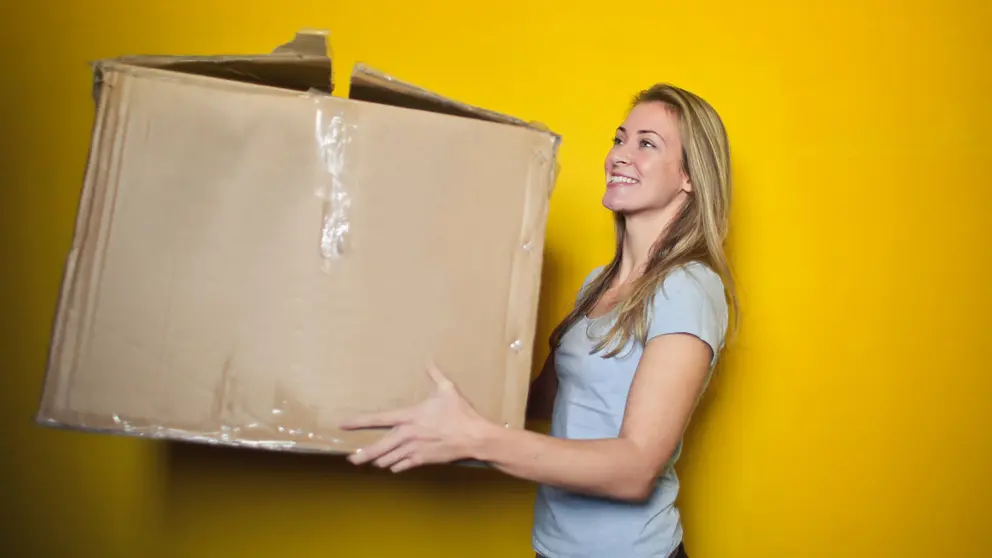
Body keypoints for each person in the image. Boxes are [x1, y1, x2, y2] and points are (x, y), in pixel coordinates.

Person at [340, 82, 738, 558]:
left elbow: (635, 470)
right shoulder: (598, 284)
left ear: (691, 177)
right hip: (552, 549)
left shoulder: (687, 289)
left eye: (646, 144)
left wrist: (479, 440)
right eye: (619, 139)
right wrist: (413, 381)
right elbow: (543, 399)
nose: (619, 156)